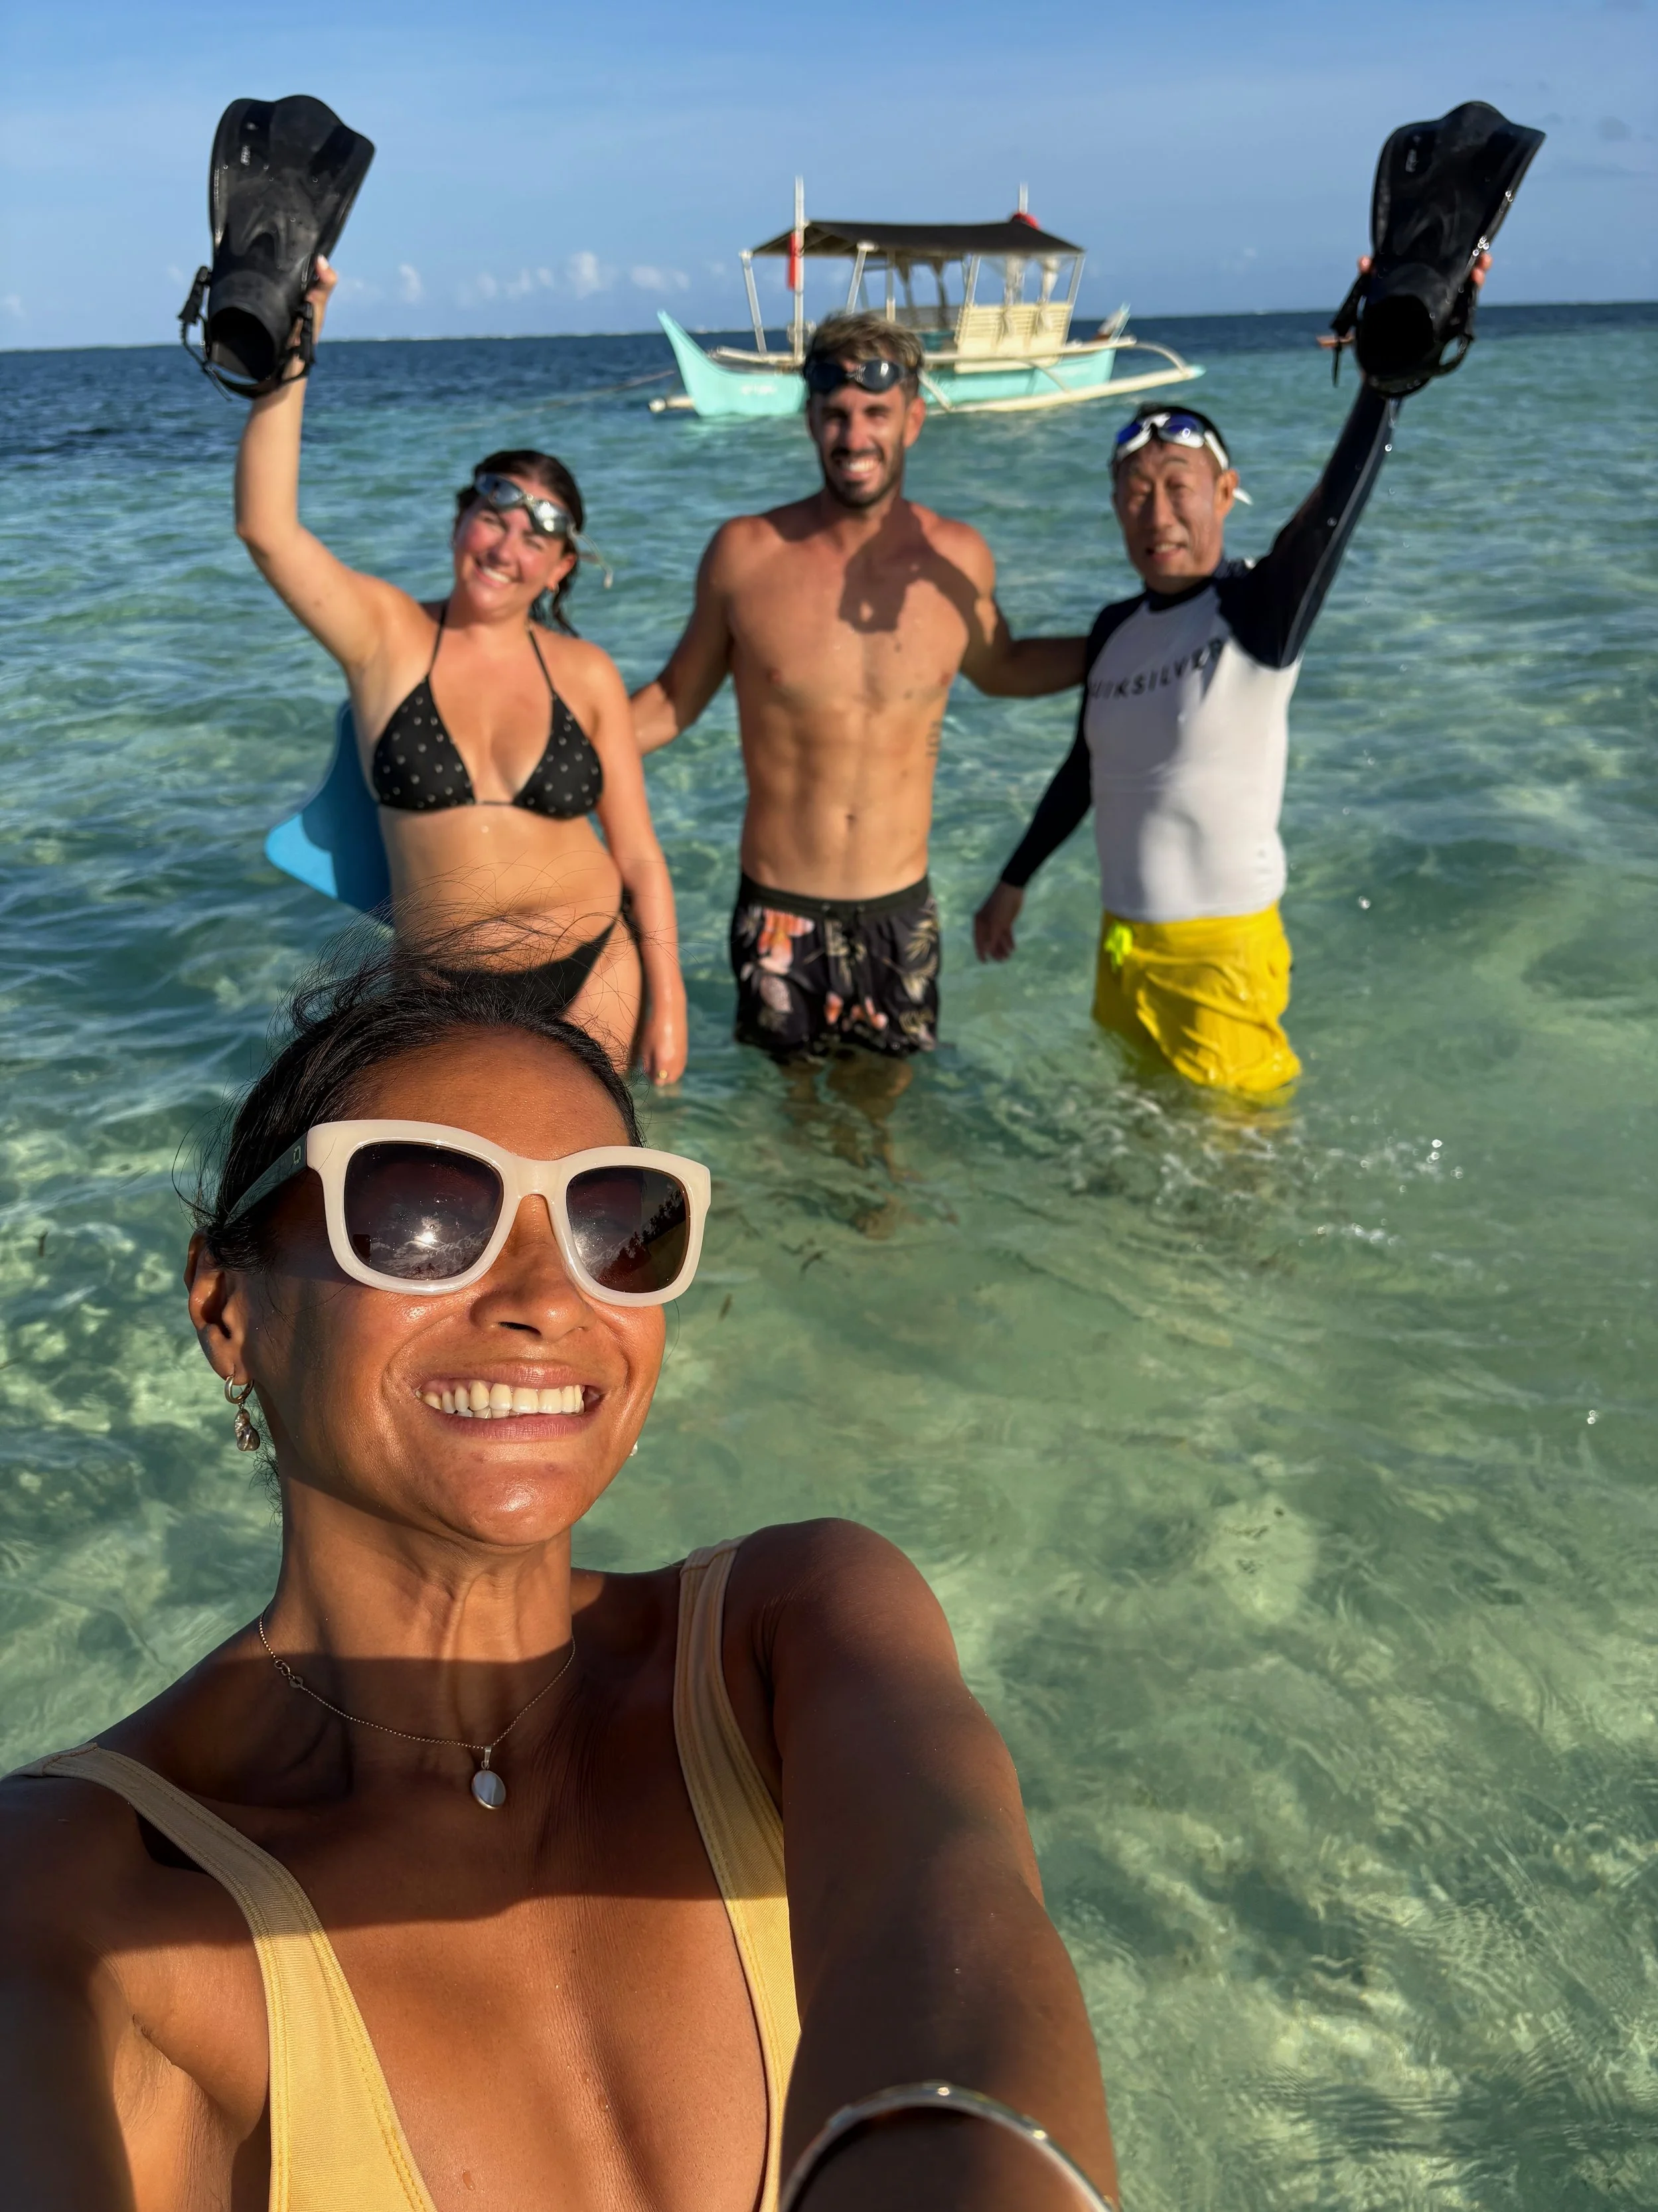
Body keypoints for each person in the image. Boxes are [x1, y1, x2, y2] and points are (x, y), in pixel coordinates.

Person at [0, 946, 1117, 2212]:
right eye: (419, 1213)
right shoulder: (86, 1890)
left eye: (614, 1225)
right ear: (225, 1308)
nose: (546, 1297)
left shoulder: (790, 1641)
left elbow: (953, 1914)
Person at [973, 255, 1493, 1096]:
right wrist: (1012, 882)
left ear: (1225, 492)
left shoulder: (1257, 608)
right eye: (1134, 493)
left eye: (1178, 488)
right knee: (1143, 1153)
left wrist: (1386, 372)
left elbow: (1339, 503)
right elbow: (1086, 772)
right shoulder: (1114, 629)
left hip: (1222, 957)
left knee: (1239, 1184)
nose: (1157, 514)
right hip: (1120, 946)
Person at [235, 258, 686, 1083]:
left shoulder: (584, 673)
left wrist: (672, 1002)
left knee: (575, 1200)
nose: (507, 548)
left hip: (593, 967)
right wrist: (295, 346)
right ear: (461, 521)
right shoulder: (385, 637)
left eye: (536, 537)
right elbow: (267, 529)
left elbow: (640, 854)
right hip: (438, 987)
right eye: (494, 514)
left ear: (559, 570)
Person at [631, 311, 1085, 1065]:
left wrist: (1124, 642)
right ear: (809, 419)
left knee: (890, 1139)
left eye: (876, 413)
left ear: (913, 420)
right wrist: (544, 739)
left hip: (898, 912)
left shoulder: (959, 557)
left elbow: (1001, 668)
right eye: (836, 415)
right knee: (791, 1139)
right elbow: (671, 702)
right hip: (779, 910)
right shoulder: (746, 555)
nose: (853, 436)